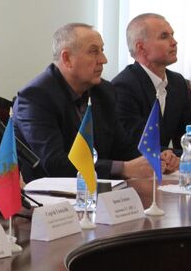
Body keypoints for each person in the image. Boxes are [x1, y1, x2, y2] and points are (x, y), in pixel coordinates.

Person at [13, 23, 175, 181]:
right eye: (93, 52)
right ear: (67, 58)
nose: (103, 60)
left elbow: (122, 148)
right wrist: (123, 168)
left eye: (102, 51)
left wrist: (156, 158)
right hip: (52, 192)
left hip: (101, 188)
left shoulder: (104, 91)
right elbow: (55, 164)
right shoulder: (35, 97)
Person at [113, 13, 191, 167]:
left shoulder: (177, 82)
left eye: (172, 35)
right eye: (164, 36)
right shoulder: (123, 87)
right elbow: (140, 146)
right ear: (141, 48)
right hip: (135, 173)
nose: (174, 42)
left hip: (165, 170)